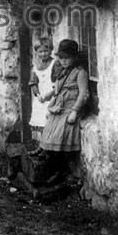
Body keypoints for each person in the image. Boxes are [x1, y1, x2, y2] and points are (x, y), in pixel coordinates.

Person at [39, 39, 89, 183]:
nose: (64, 61)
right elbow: (57, 88)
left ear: (74, 57)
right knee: (49, 132)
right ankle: (52, 167)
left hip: (71, 108)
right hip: (59, 107)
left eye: (67, 58)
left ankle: (61, 172)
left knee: (60, 136)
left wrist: (74, 111)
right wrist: (48, 96)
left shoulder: (80, 72)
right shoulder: (63, 71)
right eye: (61, 58)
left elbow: (83, 93)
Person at [28, 37, 58, 140]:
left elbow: (59, 81)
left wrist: (51, 93)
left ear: (51, 50)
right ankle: (42, 146)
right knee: (41, 123)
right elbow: (33, 82)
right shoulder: (37, 66)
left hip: (52, 97)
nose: (43, 54)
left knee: (50, 123)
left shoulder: (55, 64)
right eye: (40, 52)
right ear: (36, 52)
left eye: (46, 51)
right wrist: (37, 94)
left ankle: (50, 148)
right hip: (40, 99)